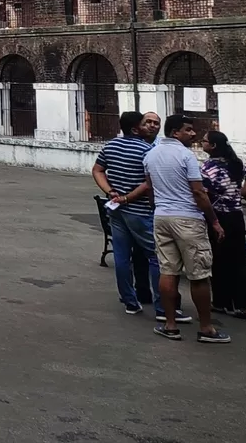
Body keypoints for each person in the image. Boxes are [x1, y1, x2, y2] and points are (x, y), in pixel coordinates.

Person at [141, 115, 230, 343]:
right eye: (188, 130)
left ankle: (170, 325)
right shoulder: (186, 156)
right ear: (174, 133)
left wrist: (157, 208)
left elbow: (150, 189)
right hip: (188, 218)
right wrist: (214, 221)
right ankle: (207, 328)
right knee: (199, 274)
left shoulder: (150, 155)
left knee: (168, 271)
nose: (193, 134)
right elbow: (199, 193)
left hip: (162, 216)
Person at [93, 111, 168, 318]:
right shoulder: (147, 150)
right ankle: (162, 307)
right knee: (155, 256)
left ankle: (130, 301)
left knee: (122, 257)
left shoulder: (111, 146)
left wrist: (110, 191)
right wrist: (127, 197)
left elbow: (97, 170)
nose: (150, 127)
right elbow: (149, 183)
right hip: (140, 211)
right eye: (146, 124)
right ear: (136, 128)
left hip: (116, 211)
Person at [200, 130, 246, 320]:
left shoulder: (207, 167)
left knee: (218, 259)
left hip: (218, 216)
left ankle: (222, 301)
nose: (202, 143)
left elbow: (203, 193)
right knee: (238, 258)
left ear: (213, 146)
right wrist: (239, 193)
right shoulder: (236, 163)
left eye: (205, 141)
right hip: (236, 215)